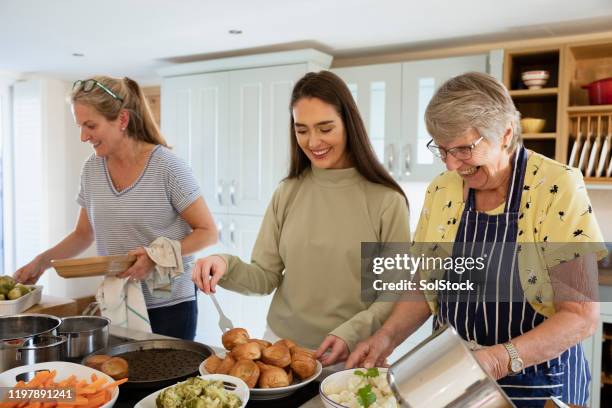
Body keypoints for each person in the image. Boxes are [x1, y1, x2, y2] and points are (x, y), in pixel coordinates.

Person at [345, 72, 606, 407]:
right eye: (442, 149)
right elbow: (425, 284)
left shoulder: (557, 187)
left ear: (507, 134)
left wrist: (495, 361)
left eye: (464, 149)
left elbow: (581, 316)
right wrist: (386, 337)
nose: (452, 164)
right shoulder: (442, 190)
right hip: (457, 378)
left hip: (541, 386)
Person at [191, 70, 410, 365]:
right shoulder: (288, 192)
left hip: (350, 355)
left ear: (349, 124)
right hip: (280, 350)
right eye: (302, 129)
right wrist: (224, 264)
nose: (313, 141)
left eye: (325, 128)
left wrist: (351, 333)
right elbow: (264, 277)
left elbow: (393, 293)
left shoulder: (386, 201)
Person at [14, 76, 217, 340]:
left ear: (122, 120)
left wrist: (156, 256)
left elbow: (208, 232)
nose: (83, 136)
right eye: (80, 126)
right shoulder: (91, 170)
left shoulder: (167, 167)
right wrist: (42, 263)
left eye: (90, 125)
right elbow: (83, 234)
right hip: (116, 301)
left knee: (164, 381)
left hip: (169, 306)